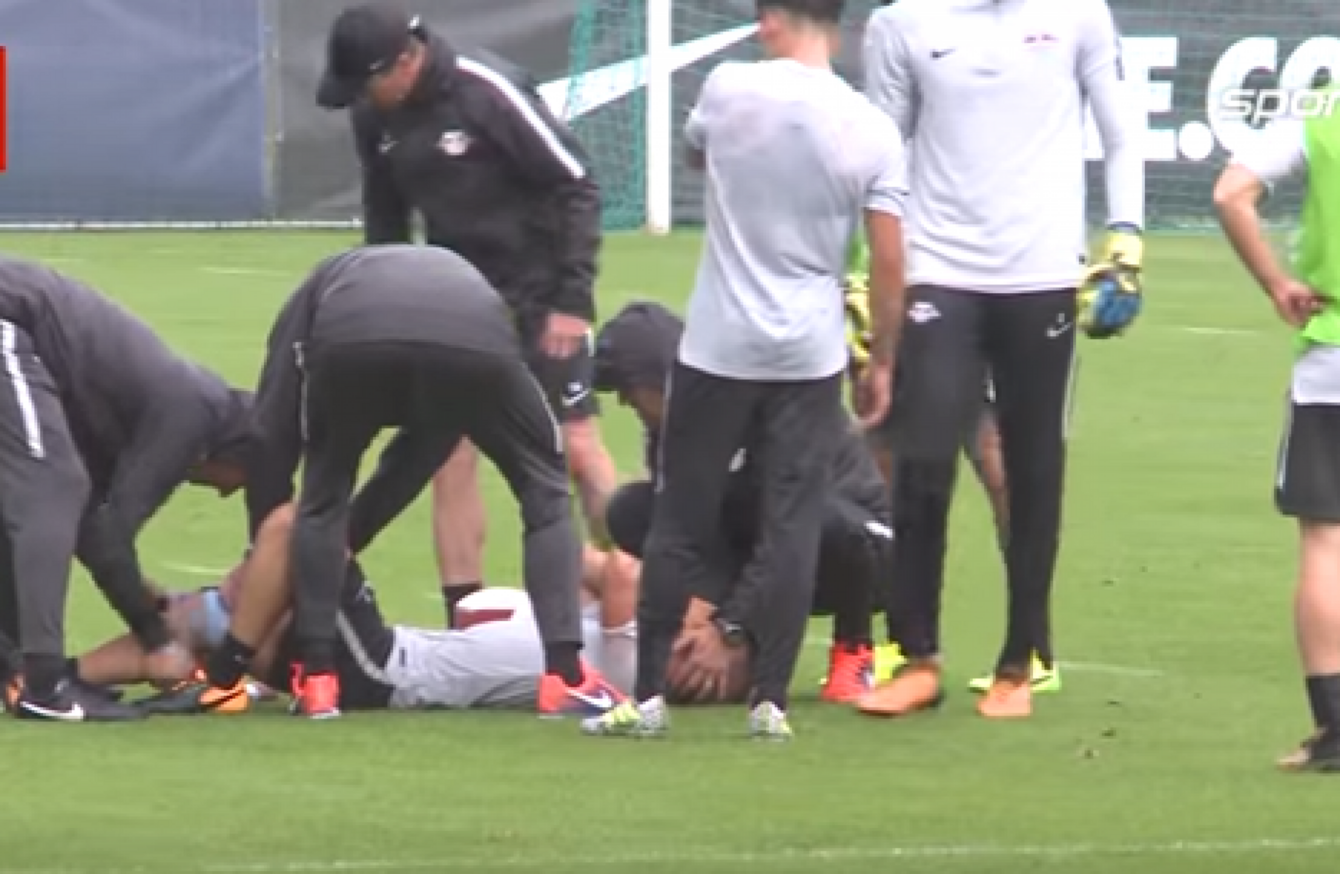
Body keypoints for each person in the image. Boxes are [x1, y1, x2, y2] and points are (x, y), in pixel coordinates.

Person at [582, 0, 908, 741]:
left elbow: (699, 156)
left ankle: (648, 699)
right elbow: (891, 258)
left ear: (769, 21)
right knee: (791, 521)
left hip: (721, 342)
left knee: (680, 514)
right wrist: (883, 357)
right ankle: (771, 704)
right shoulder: (871, 127)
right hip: (809, 350)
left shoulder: (729, 87)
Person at [858, 0, 1144, 720]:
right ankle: (916, 656)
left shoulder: (1079, 14)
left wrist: (1126, 237)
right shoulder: (903, 23)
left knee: (1032, 466)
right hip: (938, 268)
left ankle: (1020, 662)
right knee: (922, 459)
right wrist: (867, 269)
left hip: (1041, 272)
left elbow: (1120, 132)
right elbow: (879, 154)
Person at [314, 2, 618, 624]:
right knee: (448, 454)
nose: (363, 101)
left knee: (578, 448)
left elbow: (576, 182)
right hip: (456, 306)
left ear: (405, 62)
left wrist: (571, 300)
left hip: (540, 297)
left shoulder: (486, 91)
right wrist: (390, 301)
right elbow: (386, 218)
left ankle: (633, 590)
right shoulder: (374, 113)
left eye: (367, 85)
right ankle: (466, 614)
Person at [238, 244, 623, 719]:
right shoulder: (455, 286)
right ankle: (565, 677)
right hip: (475, 344)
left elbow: (271, 432)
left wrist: (268, 555)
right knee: (545, 490)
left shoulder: (318, 294)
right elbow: (420, 452)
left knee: (325, 492)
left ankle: (318, 680)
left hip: (356, 341)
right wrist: (340, 541)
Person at [76, 507, 706, 715]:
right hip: (383, 662)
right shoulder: (598, 639)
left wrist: (696, 607)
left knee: (297, 527)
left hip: (386, 673)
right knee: (208, 622)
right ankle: (60, 676)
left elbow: (616, 570)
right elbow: (567, 560)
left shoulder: (628, 668)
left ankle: (214, 656)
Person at [592, 301, 895, 704]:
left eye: (628, 389)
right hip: (770, 549)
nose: (624, 402)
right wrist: (697, 619)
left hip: (864, 551)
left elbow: (783, 526)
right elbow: (689, 531)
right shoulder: (669, 433)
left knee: (814, 518)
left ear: (661, 377)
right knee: (631, 510)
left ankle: (853, 651)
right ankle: (742, 653)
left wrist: (729, 625)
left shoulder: (761, 404)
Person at [0, 256, 253, 722]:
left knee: (29, 496)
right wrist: (158, 639)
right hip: (9, 317)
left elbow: (89, 529)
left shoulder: (137, 410)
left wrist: (146, 600)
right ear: (239, 451)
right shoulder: (191, 414)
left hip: (17, 325)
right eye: (239, 482)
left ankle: (15, 670)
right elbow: (108, 538)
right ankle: (45, 687)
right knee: (53, 488)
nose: (223, 493)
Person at [844, 248, 1062, 695]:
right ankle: (899, 640)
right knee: (890, 467)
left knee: (1000, 465)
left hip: (981, 287)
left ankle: (1032, 644)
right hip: (890, 296)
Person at [1213, 101, 1340, 771]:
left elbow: (1231, 193)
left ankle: (1337, 730)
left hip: (1334, 354)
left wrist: (1276, 283)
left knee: (1327, 542)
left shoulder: (1322, 121)